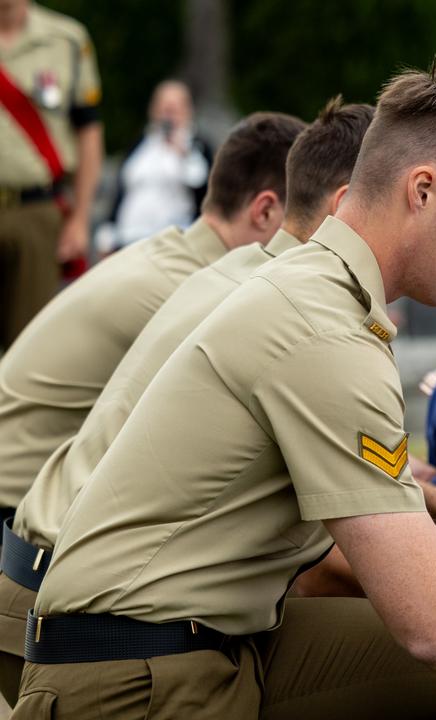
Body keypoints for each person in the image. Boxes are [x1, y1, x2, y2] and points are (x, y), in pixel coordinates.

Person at [13, 65, 436, 720]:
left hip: (167, 639)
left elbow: (403, 549)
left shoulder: (305, 284)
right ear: (421, 191)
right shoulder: (323, 330)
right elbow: (434, 621)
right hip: (137, 677)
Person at [0, 98, 385, 703]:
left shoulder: (195, 271)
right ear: (266, 208)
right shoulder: (236, 300)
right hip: (64, 590)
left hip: (41, 560)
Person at [0, 111, 304, 520]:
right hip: (16, 520)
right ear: (265, 212)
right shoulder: (194, 291)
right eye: (306, 221)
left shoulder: (168, 258)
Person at [0, 0, 103, 348]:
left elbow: (88, 131)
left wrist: (81, 218)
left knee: (29, 348)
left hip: (37, 215)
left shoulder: (66, 39)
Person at [103, 79, 215, 249]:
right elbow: (122, 188)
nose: (168, 116)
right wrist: (108, 234)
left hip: (173, 242)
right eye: (164, 108)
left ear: (188, 110)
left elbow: (203, 186)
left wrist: (183, 152)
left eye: (174, 109)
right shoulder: (142, 143)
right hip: (129, 239)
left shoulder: (198, 146)